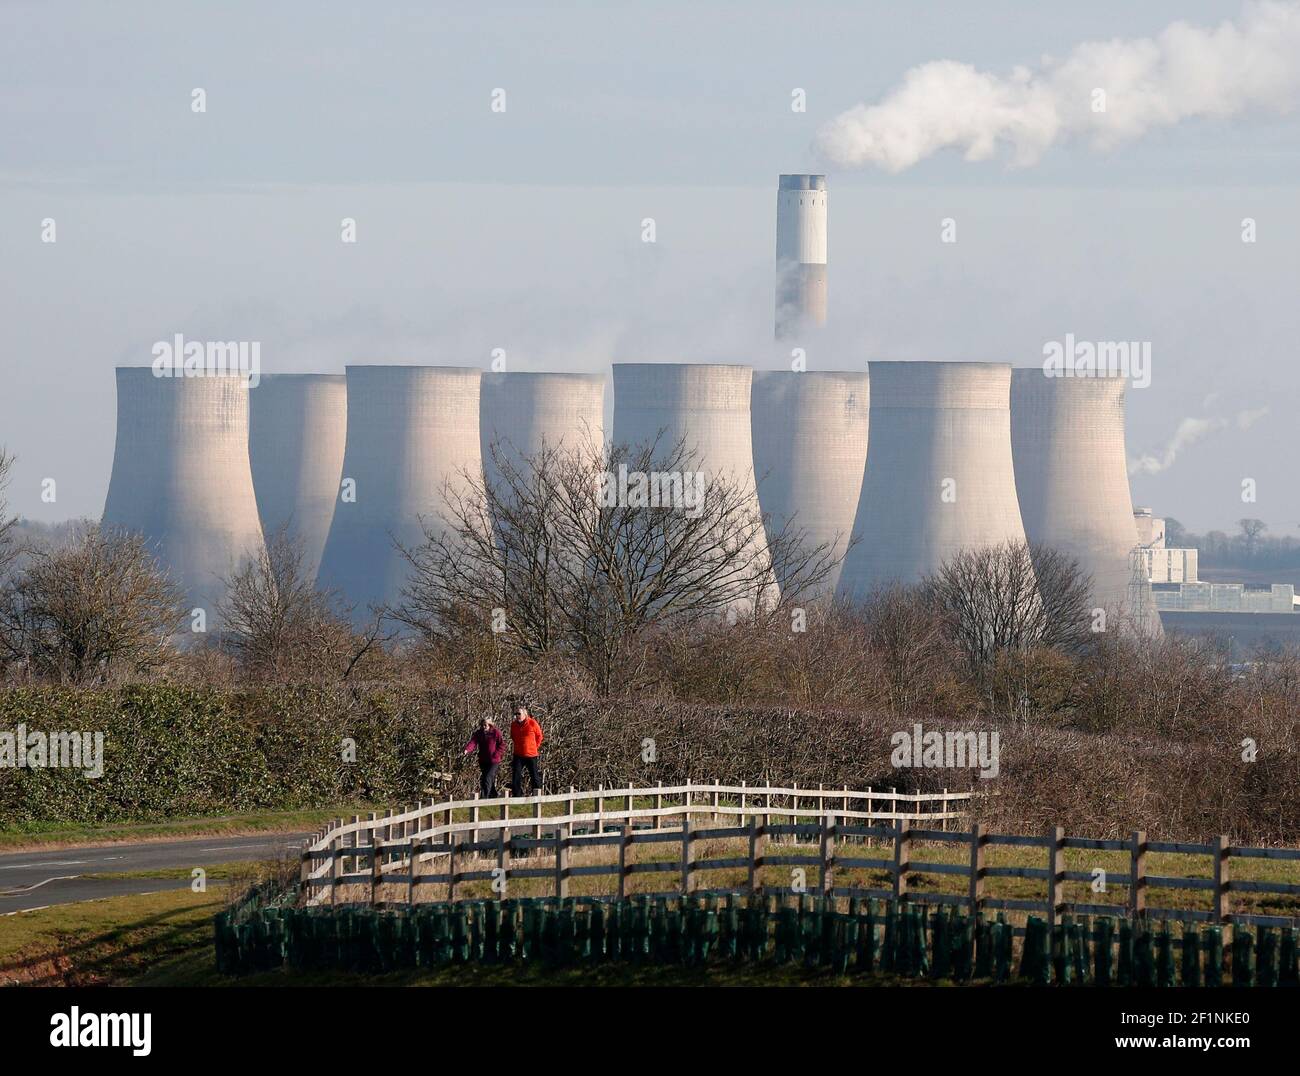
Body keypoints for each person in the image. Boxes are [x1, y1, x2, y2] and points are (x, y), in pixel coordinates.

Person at [463, 716, 505, 799]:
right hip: (483, 760)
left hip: (494, 760)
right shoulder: (479, 733)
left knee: (487, 778)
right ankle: (493, 795)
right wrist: (467, 749)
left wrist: (496, 754)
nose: (483, 727)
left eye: (485, 725)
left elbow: (502, 745)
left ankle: (484, 798)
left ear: (490, 725)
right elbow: (473, 742)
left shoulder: (495, 732)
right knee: (488, 779)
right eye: (482, 725)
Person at [509, 702, 544, 797]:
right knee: (516, 775)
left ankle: (537, 795)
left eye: (519, 714)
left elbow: (539, 736)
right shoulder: (513, 725)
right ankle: (517, 795)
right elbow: (513, 736)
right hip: (518, 754)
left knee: (534, 776)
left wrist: (534, 747)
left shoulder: (532, 723)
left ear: (525, 714)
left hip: (531, 755)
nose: (517, 716)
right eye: (516, 714)